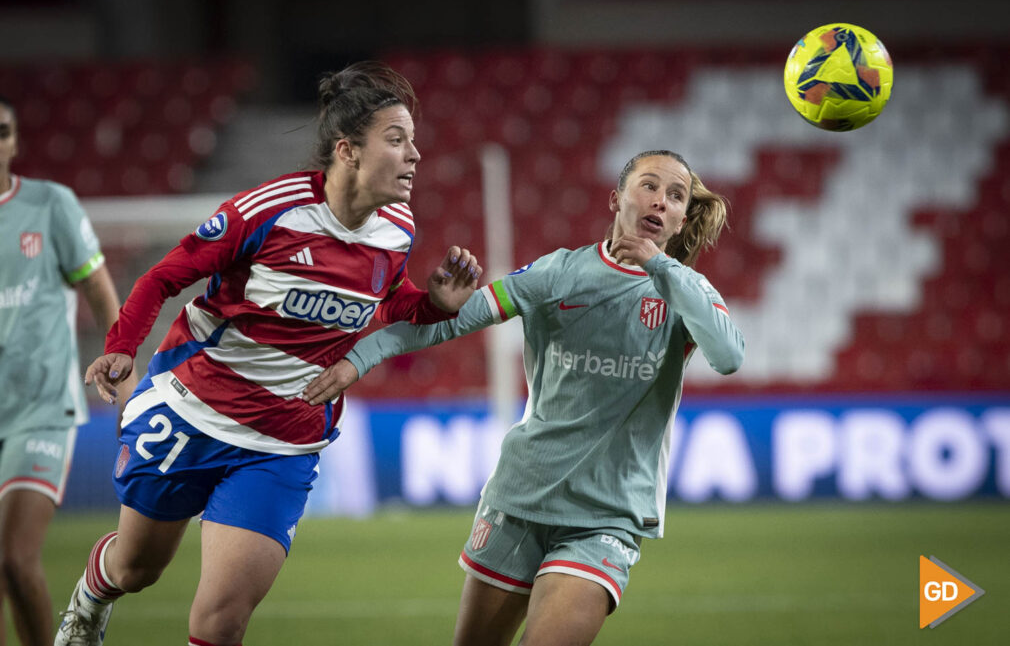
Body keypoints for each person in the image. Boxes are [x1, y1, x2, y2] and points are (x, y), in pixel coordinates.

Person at [54, 62, 482, 646]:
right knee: (136, 570)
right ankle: (89, 601)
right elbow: (162, 277)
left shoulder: (397, 230)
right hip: (195, 410)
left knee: (220, 620)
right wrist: (122, 348)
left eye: (414, 141)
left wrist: (433, 303)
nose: (415, 156)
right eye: (397, 139)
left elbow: (390, 304)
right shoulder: (267, 211)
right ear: (348, 150)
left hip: (283, 439)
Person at [304, 149, 745, 646]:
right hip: (520, 499)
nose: (660, 201)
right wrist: (359, 358)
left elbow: (728, 355)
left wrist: (661, 268)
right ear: (616, 197)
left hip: (606, 518)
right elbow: (454, 320)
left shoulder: (688, 291)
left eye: (676, 195)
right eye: (648, 186)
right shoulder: (557, 274)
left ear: (684, 217)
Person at [0, 97, 134, 646]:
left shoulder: (48, 205)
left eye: (3, 129)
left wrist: (127, 380)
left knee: (12, 556)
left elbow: (100, 293)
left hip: (39, 410)